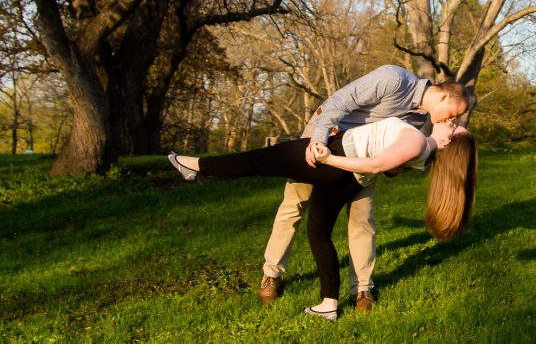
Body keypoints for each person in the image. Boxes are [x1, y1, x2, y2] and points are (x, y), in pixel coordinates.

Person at [168, 116, 476, 321]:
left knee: (256, 161)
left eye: (453, 128)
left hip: (333, 161)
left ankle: (195, 166)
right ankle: (328, 304)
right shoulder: (423, 153)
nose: (450, 121)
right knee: (318, 234)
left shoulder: (419, 143)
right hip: (345, 180)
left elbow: (376, 163)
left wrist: (329, 157)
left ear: (447, 143)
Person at [260, 65, 468, 312]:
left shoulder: (418, 120)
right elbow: (340, 101)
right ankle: (271, 274)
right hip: (326, 138)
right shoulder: (394, 79)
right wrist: (317, 139)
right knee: (295, 203)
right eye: (453, 114)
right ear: (444, 96)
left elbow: (389, 164)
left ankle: (362, 289)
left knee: (362, 218)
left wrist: (408, 162)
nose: (450, 120)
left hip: (361, 163)